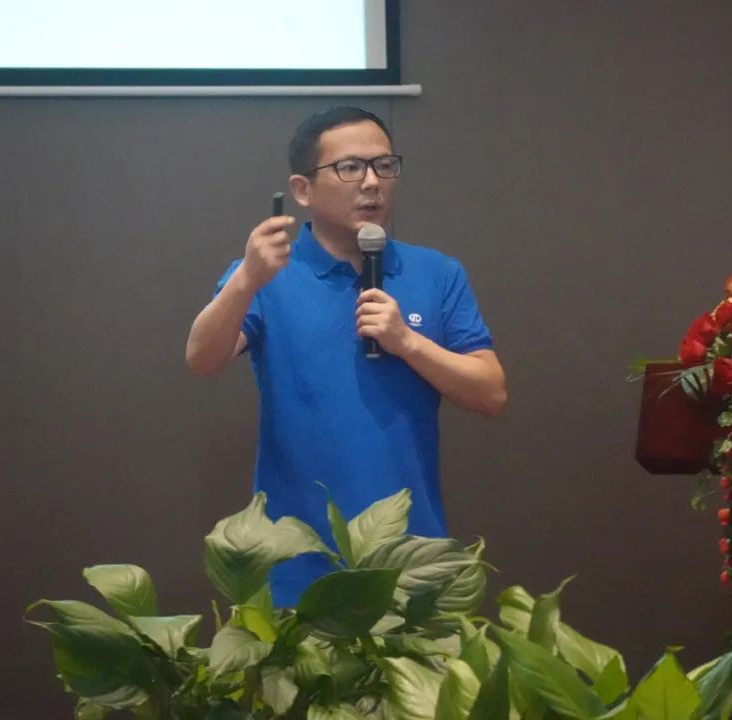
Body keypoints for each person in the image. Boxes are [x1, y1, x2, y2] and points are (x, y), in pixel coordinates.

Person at [185, 106, 506, 605]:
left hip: (411, 558)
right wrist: (246, 280)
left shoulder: (437, 273)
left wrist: (408, 342)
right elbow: (202, 359)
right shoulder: (266, 276)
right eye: (350, 167)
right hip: (298, 561)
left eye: (384, 165)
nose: (372, 182)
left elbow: (491, 393)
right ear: (302, 190)